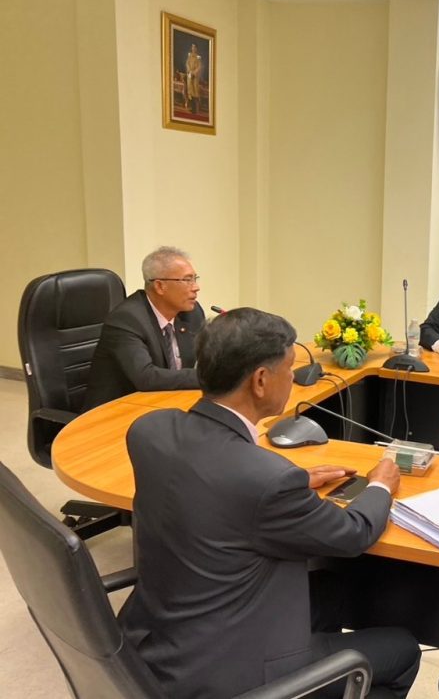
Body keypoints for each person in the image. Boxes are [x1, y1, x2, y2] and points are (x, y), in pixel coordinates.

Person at [118, 308, 420, 698]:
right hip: (229, 671)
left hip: (157, 641)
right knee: (402, 649)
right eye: (290, 368)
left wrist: (294, 482)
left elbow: (207, 483)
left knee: (328, 588)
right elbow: (353, 534)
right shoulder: (267, 479)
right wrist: (380, 485)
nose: (294, 378)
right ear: (260, 380)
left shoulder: (148, 430)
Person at [84, 246, 205, 409]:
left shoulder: (190, 313)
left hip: (164, 403)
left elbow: (205, 358)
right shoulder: (127, 319)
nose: (196, 287)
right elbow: (146, 377)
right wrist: (209, 377)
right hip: (116, 411)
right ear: (160, 286)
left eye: (195, 279)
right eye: (187, 280)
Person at [185, 43, 202, 115]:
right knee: (190, 89)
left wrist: (194, 72)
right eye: (192, 47)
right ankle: (190, 107)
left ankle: (195, 109)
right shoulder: (189, 55)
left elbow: (199, 66)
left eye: (194, 47)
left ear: (196, 48)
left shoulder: (198, 57)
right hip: (190, 74)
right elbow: (187, 64)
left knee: (195, 90)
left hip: (195, 76)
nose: (193, 48)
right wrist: (190, 71)